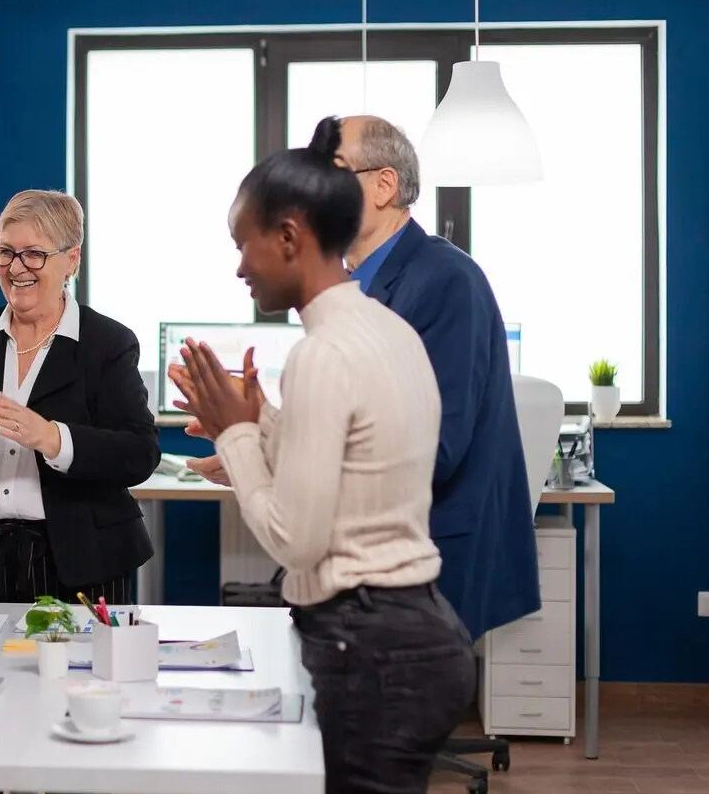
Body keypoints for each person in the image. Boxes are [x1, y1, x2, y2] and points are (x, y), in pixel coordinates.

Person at [170, 119, 474, 794]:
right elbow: (360, 467)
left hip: (372, 646)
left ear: (288, 237)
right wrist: (261, 421)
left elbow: (295, 539)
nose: (240, 267)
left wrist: (237, 436)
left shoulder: (320, 354)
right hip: (418, 632)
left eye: (243, 245)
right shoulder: (384, 329)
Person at [186, 115, 541, 642]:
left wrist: (252, 449)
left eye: (333, 173)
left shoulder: (445, 280)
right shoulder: (354, 299)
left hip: (426, 554)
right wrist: (265, 431)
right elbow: (369, 431)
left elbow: (431, 449)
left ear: (384, 185)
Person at [0, 189, 160, 605]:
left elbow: (140, 453)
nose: (16, 268)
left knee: (81, 672)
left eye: (33, 254)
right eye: (6, 252)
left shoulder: (107, 343)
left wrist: (53, 439)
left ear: (71, 260)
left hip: (82, 562)